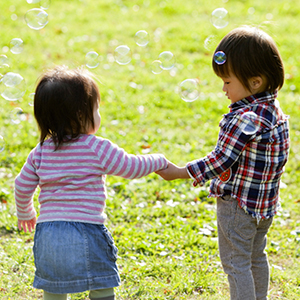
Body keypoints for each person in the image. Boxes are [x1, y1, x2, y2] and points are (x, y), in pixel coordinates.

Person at [156, 26, 290, 300]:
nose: (223, 88)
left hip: (237, 207)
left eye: (228, 82)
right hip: (264, 206)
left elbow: (220, 160)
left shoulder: (242, 118)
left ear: (255, 82)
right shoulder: (274, 112)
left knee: (236, 263)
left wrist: (180, 172)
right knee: (255, 256)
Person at [14, 65, 168, 300]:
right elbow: (130, 167)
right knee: (101, 284)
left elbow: (22, 185)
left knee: (54, 289)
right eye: (96, 109)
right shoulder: (96, 147)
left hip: (48, 233)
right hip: (86, 229)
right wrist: (159, 160)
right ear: (80, 114)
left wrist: (25, 212)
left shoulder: (40, 152)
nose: (98, 115)